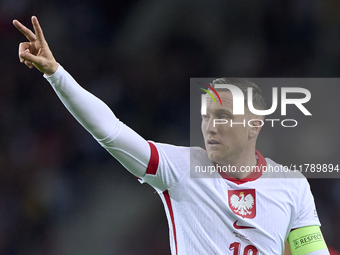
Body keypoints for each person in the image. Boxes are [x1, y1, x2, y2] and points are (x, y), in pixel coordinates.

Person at [13, 16, 330, 255]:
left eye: (222, 117)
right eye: (206, 117)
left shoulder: (292, 186)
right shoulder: (180, 167)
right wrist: (56, 75)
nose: (209, 126)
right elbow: (110, 131)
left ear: (253, 126)